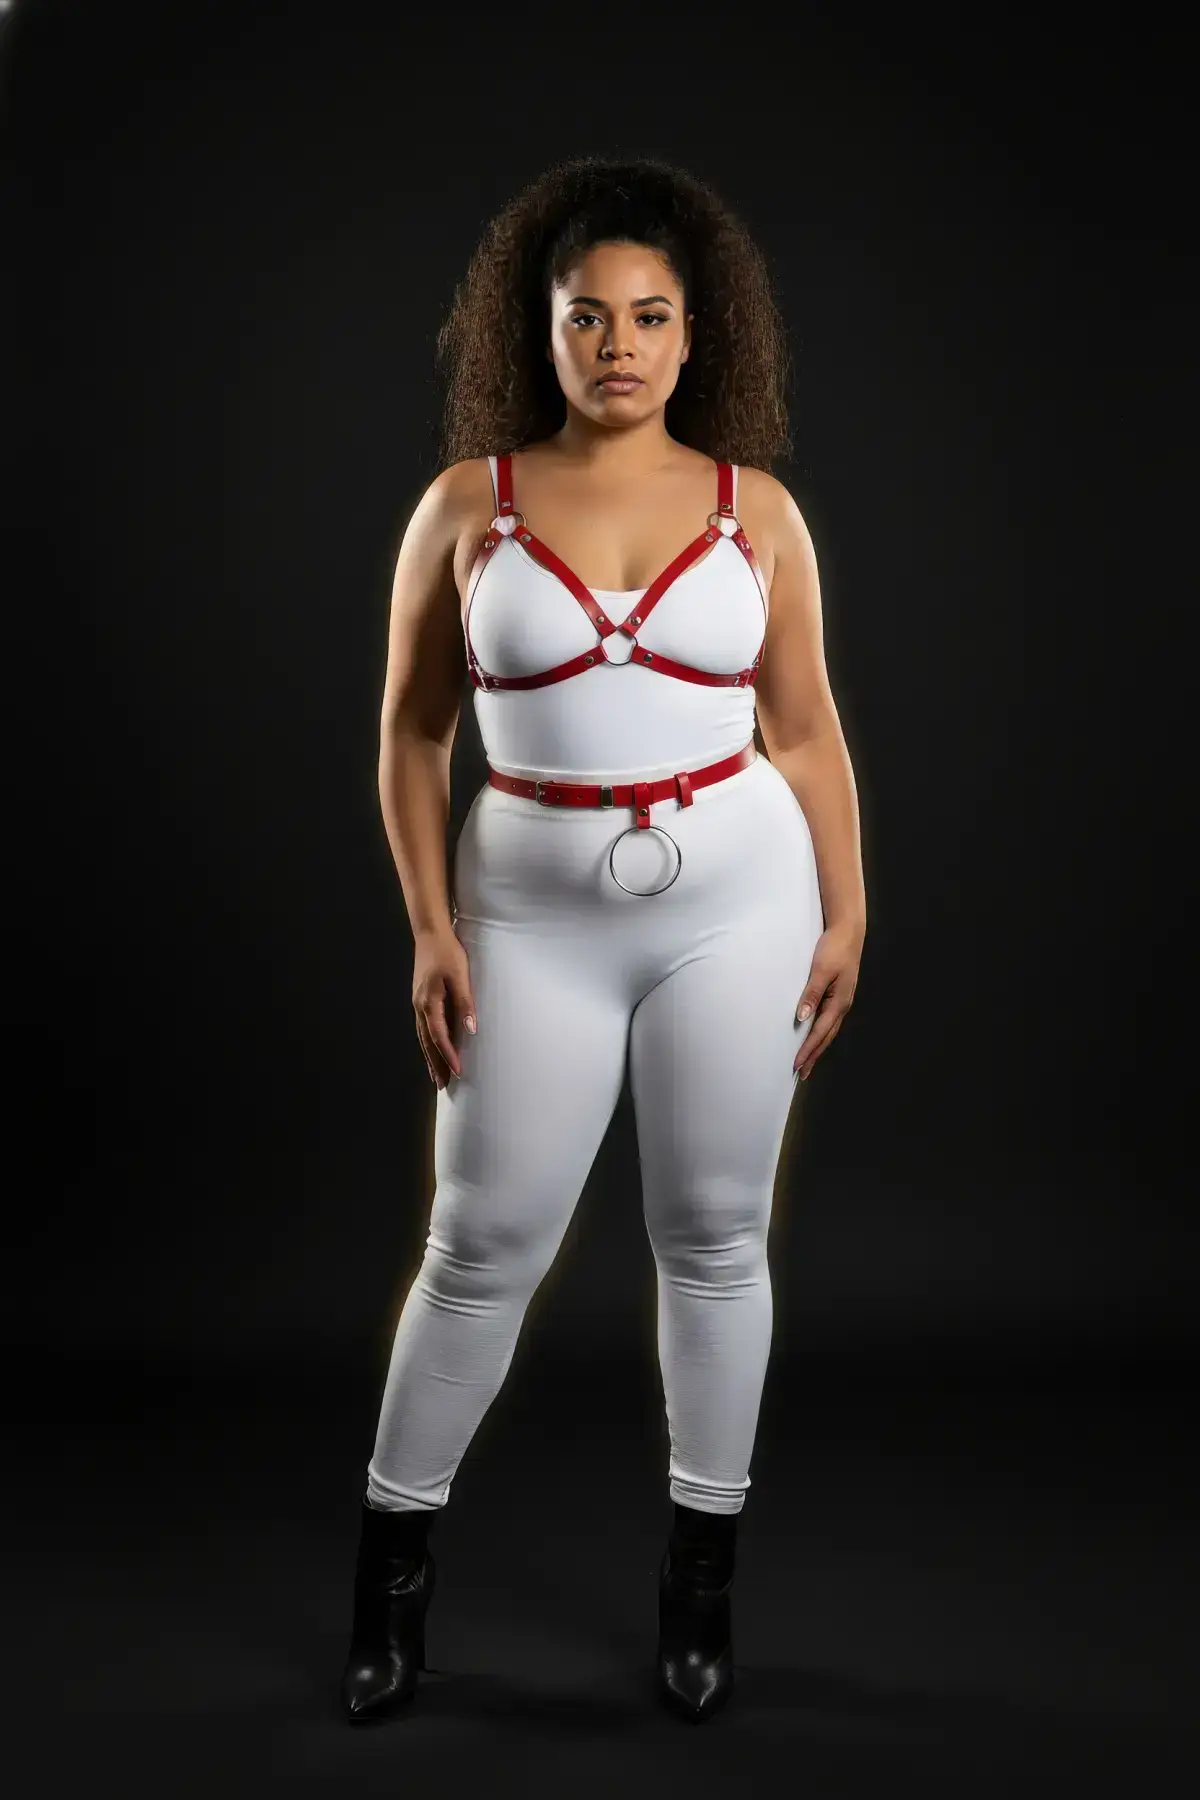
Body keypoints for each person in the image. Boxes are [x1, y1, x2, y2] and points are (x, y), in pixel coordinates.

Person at [340, 154, 866, 1726]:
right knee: (479, 1245)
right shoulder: (467, 506)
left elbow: (805, 729)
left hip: (739, 894)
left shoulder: (759, 512)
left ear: (697, 335)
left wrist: (847, 905)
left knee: (714, 1237)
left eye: (649, 317)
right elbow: (412, 729)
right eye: (587, 316)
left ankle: (701, 1589)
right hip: (528, 903)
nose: (619, 345)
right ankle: (388, 1588)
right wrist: (429, 927)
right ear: (545, 329)